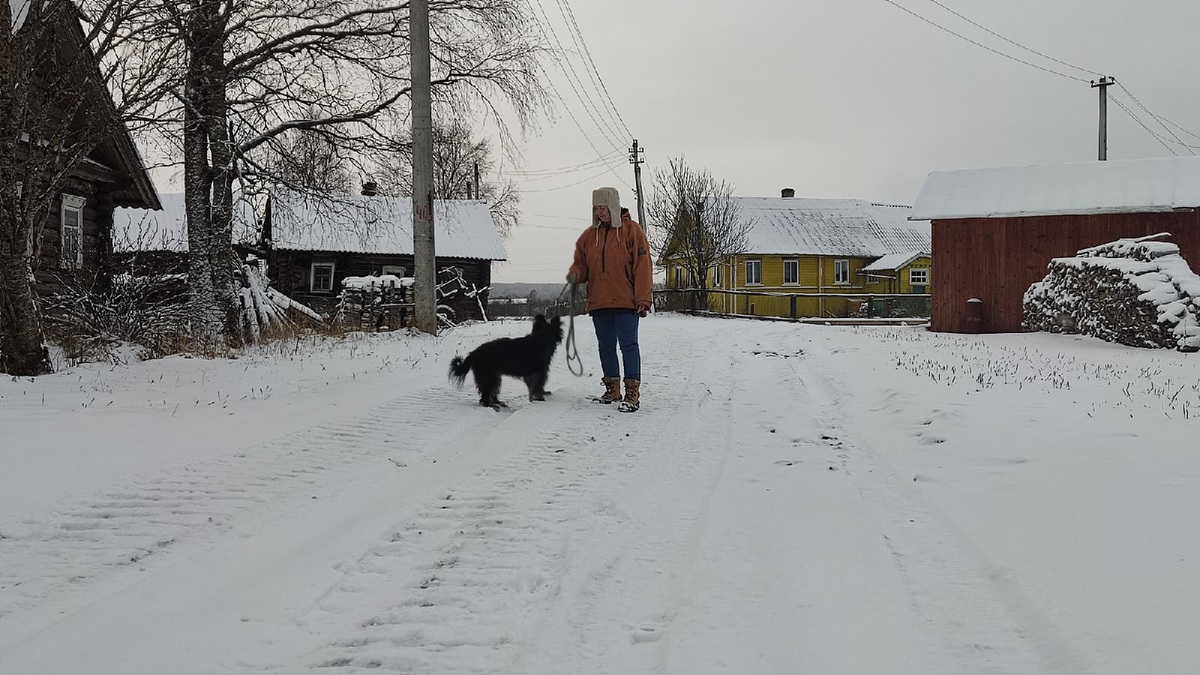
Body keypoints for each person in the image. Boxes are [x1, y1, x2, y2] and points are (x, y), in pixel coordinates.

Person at [567, 187, 653, 412]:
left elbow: (643, 267)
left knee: (628, 346)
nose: (599, 212)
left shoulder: (632, 232)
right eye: (596, 207)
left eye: (603, 207)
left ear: (613, 206)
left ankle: (632, 392)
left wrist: (643, 298)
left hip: (626, 301)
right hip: (600, 300)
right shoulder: (589, 236)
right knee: (605, 346)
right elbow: (582, 263)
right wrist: (577, 273)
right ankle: (612, 388)